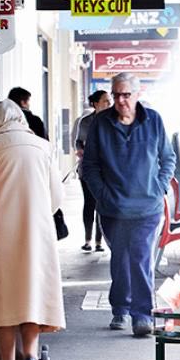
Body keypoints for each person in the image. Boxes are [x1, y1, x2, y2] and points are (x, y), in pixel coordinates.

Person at [0, 100, 65, 360]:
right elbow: (56, 197)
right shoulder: (43, 147)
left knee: (3, 299)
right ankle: (31, 356)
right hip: (38, 233)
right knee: (31, 293)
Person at [81, 72, 176, 338]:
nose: (121, 100)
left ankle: (142, 315)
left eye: (126, 95)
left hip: (148, 206)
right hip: (113, 208)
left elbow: (168, 158)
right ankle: (120, 306)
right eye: (117, 95)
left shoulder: (154, 120)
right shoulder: (101, 123)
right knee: (121, 259)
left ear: (138, 94)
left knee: (141, 259)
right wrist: (103, 194)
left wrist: (158, 188)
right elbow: (89, 166)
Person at [71, 90, 112, 252]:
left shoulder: (113, 120)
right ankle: (87, 239)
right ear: (95, 103)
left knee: (102, 205)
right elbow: (78, 142)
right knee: (89, 203)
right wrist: (80, 150)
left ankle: (99, 242)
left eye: (109, 101)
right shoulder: (86, 121)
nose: (109, 104)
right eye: (105, 101)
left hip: (107, 170)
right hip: (87, 169)